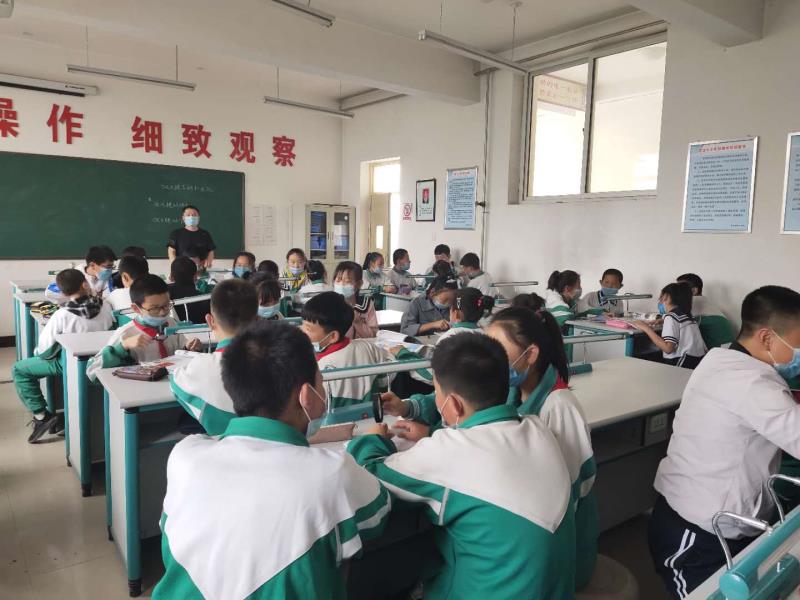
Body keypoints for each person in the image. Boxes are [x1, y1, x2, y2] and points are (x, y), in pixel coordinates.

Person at [152, 322, 390, 599]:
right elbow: (379, 510)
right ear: (306, 396)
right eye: (320, 382)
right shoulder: (331, 472)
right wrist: (370, 443)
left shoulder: (185, 455)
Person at [348, 334, 577, 599]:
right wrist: (431, 434)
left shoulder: (448, 452)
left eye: (437, 393)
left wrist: (373, 439)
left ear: (454, 404)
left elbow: (370, 473)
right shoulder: (537, 428)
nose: (436, 400)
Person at [649, 286, 800, 599]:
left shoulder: (721, 358)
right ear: (767, 338)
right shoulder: (753, 383)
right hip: (696, 534)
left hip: (717, 521)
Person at [487, 307, 598, 590]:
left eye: (498, 350)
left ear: (531, 354)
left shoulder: (559, 407)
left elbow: (571, 494)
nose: (489, 359)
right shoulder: (513, 393)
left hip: (560, 547)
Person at [13, 268, 114, 443]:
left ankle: (42, 416)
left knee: (19, 370)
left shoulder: (62, 314)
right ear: (85, 284)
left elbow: (44, 351)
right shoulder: (105, 305)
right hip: (102, 360)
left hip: (71, 363)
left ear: (62, 292)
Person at [170, 280, 259, 435]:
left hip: (221, 444)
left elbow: (174, 382)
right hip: (272, 445)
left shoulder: (200, 366)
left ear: (210, 321)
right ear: (257, 320)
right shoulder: (279, 360)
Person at [87, 275, 202, 380]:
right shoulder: (126, 334)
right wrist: (123, 347)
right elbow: (92, 371)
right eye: (155, 308)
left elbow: (179, 356)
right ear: (136, 309)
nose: (163, 312)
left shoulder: (171, 323)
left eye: (166, 305)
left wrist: (188, 348)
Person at [301, 292, 393, 409]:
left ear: (332, 336)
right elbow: (387, 376)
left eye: (308, 329)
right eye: (302, 325)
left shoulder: (318, 369)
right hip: (372, 415)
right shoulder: (367, 347)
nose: (301, 331)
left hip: (331, 419)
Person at [632, 283, 707, 369]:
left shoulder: (671, 317)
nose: (660, 301)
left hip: (682, 362)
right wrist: (663, 319)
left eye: (661, 297)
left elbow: (668, 349)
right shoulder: (688, 316)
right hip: (696, 360)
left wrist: (646, 328)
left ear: (666, 297)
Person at [677, 273, 734, 349]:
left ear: (694, 291)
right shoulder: (705, 302)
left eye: (680, 289)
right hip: (728, 349)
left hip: (716, 352)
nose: (675, 293)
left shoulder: (694, 301)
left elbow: (672, 316)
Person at [333, 261, 378, 339]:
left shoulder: (366, 304)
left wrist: (358, 322)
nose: (341, 284)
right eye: (338, 280)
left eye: (347, 281)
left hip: (361, 345)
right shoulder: (328, 304)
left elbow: (374, 335)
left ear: (359, 284)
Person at [168, 257, 210, 325]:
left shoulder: (163, 294)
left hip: (170, 330)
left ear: (171, 276)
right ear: (195, 276)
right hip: (199, 331)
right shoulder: (205, 299)